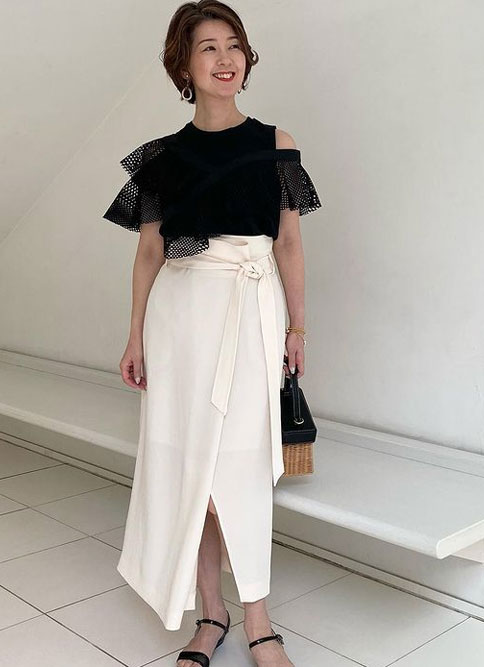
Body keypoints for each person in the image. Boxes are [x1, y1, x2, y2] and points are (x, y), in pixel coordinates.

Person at [102, 2, 322, 665]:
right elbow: (149, 252)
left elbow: (288, 243)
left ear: (246, 59)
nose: (225, 59)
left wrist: (298, 325)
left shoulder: (276, 142)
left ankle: (258, 620)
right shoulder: (162, 157)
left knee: (243, 467)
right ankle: (211, 613)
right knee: (186, 464)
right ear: (183, 66)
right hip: (180, 322)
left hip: (252, 312)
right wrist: (135, 334)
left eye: (234, 45)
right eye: (208, 48)